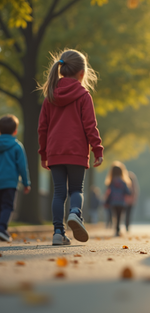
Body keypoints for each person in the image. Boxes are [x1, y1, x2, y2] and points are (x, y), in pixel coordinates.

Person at [38, 49, 103, 246]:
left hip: (55, 151)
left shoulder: (50, 95)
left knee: (59, 193)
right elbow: (90, 126)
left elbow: (42, 128)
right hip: (76, 151)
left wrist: (43, 154)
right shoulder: (84, 96)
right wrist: (97, 149)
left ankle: (58, 233)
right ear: (82, 73)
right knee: (76, 189)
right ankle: (75, 213)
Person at [0, 115, 31, 242]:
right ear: (15, 131)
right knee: (8, 206)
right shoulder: (17, 146)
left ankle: (2, 230)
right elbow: (22, 167)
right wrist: (26, 183)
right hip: (10, 183)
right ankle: (2, 228)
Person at [105, 161, 131, 236]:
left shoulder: (111, 182)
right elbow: (127, 192)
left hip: (113, 202)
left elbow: (109, 192)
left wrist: (107, 201)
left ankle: (116, 228)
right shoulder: (123, 182)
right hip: (121, 202)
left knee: (115, 215)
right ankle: (118, 229)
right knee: (120, 215)